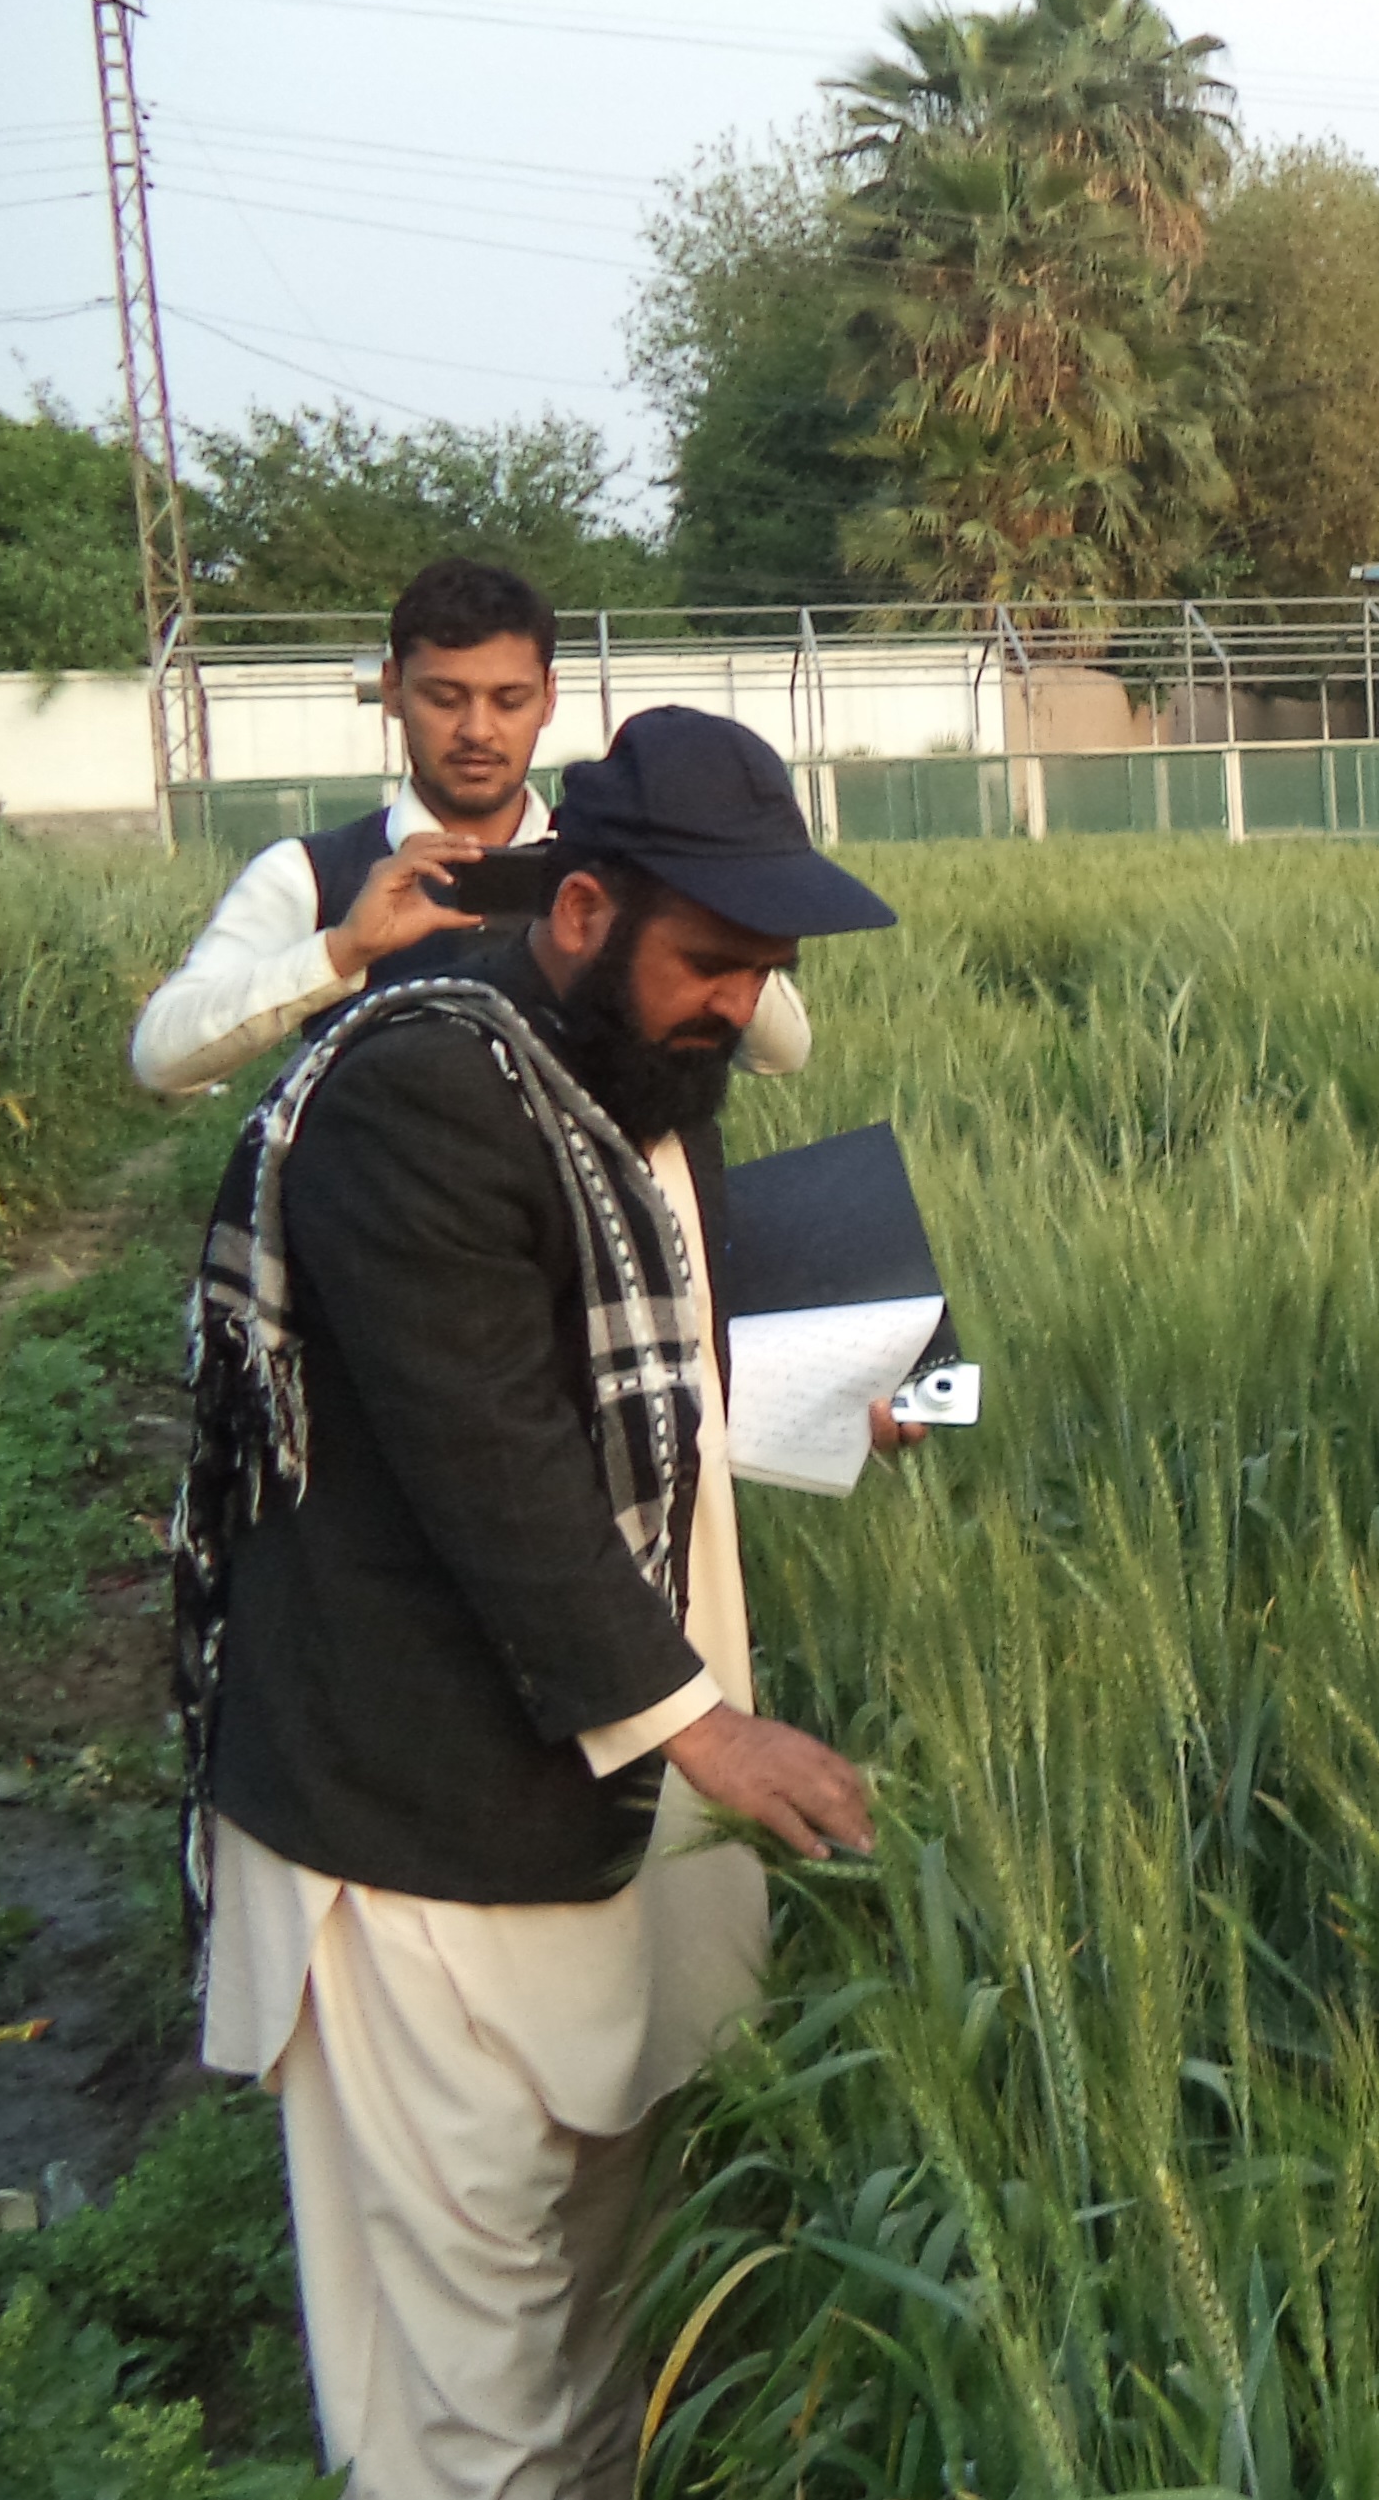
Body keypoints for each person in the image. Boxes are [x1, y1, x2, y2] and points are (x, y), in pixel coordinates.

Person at [174, 705, 902, 2499]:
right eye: (711, 962)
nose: (740, 1007)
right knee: (468, 2400)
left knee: (601, 2344)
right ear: (580, 913)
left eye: (764, 970)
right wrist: (706, 1725)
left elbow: (656, 1380)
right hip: (414, 1828)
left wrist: (824, 1402)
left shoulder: (629, 1085)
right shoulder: (427, 1089)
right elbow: (486, 1455)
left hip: (599, 1821)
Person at [131, 557, 812, 1097]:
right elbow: (162, 1056)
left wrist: (677, 899)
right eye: (444, 697)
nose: (477, 730)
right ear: (392, 689)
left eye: (508, 699)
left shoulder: (615, 868)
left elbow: (783, 1053)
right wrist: (341, 952)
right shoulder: (309, 874)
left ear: (548, 696)